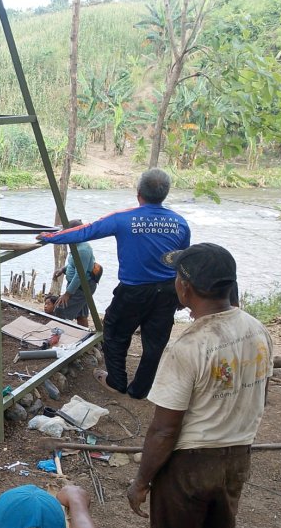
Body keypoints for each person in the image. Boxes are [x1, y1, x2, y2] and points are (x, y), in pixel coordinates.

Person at [126, 243, 273, 528]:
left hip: (189, 466)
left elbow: (164, 429)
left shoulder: (188, 346)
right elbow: (260, 394)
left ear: (185, 288)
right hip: (236, 459)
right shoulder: (256, 329)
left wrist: (141, 481)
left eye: (178, 277)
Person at [37, 168, 190, 399]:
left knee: (114, 331)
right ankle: (140, 390)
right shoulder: (180, 223)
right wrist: (182, 296)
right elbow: (183, 261)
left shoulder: (123, 218)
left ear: (139, 193)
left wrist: (50, 237)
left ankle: (117, 381)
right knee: (155, 342)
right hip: (168, 291)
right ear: (165, 194)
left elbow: (85, 231)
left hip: (134, 291)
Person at [50, 219, 100, 327]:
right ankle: (86, 338)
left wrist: (67, 294)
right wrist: (63, 270)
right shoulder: (75, 244)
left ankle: (60, 336)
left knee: (60, 309)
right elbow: (75, 264)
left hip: (83, 286)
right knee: (81, 315)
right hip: (78, 285)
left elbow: (80, 275)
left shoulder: (83, 250)